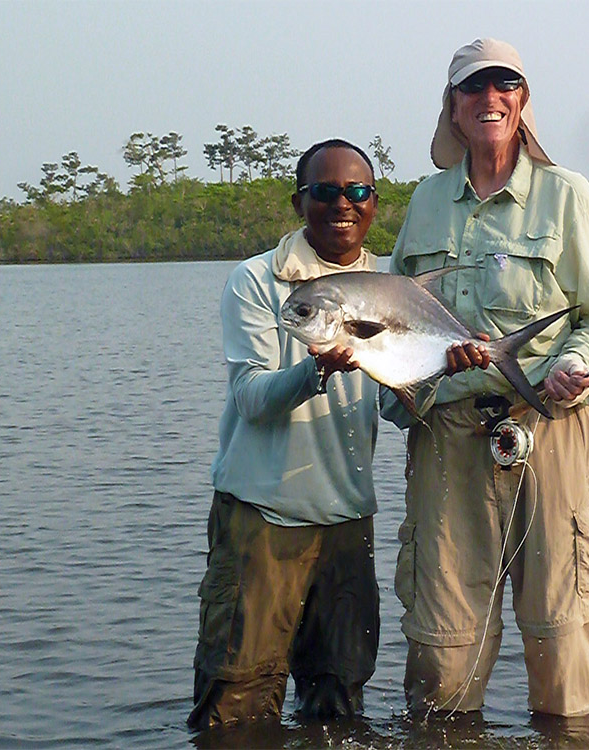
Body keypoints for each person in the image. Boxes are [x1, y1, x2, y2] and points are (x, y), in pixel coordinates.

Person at [381, 38, 589, 718]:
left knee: (562, 636)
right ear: (453, 109)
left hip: (548, 430)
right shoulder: (427, 201)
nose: (489, 98)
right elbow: (395, 326)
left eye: (504, 85)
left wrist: (573, 371)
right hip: (448, 438)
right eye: (472, 88)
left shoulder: (566, 194)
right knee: (442, 650)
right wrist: (415, 380)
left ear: (522, 102)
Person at [188, 139, 383, 730]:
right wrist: (315, 370)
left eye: (357, 192)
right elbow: (249, 397)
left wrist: (446, 371)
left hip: (348, 523)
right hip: (261, 521)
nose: (342, 204)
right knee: (235, 707)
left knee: (339, 704)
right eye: (325, 192)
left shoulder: (391, 286)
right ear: (301, 202)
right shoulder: (256, 281)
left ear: (374, 204)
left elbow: (402, 409)